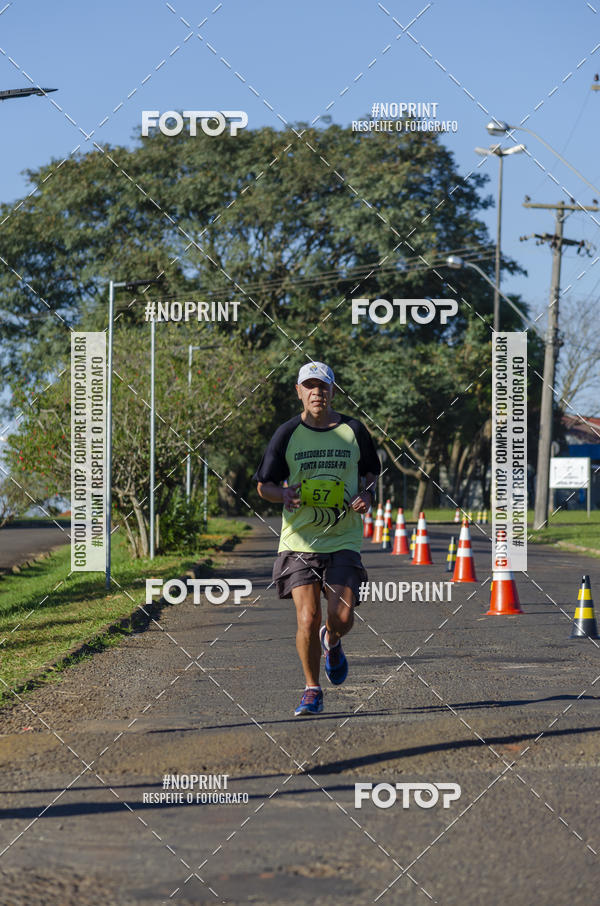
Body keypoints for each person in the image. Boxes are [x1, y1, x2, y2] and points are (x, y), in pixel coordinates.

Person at [255, 361, 380, 716]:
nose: (316, 393)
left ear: (333, 391)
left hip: (343, 539)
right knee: (307, 618)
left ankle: (333, 640)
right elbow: (264, 485)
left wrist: (367, 494)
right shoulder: (287, 433)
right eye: (309, 387)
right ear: (298, 392)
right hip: (299, 541)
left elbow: (371, 471)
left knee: (341, 617)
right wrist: (284, 496)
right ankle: (312, 689)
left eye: (322, 387)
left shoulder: (354, 430)